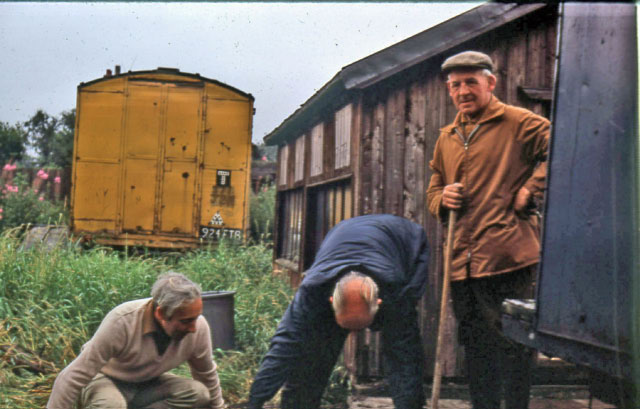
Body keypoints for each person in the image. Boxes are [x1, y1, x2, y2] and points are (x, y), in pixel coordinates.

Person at [426, 50, 550, 409]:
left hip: (507, 257)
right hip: (462, 264)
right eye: (455, 85)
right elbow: (434, 187)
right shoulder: (447, 136)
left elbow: (565, 149)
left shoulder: (519, 122)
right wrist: (442, 198)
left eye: (470, 82)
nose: (463, 91)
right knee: (476, 349)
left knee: (513, 347)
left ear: (490, 83)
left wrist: (531, 189)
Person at [248, 214, 429, 409]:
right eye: (348, 327)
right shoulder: (313, 290)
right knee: (313, 359)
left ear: (379, 303)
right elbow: (284, 346)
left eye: (360, 326)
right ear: (331, 300)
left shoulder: (396, 294)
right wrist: (254, 402)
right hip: (342, 239)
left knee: (402, 351)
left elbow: (405, 362)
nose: (353, 336)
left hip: (406, 242)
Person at [47, 272, 224, 409]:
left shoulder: (198, 327)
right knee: (112, 405)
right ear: (161, 313)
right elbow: (74, 376)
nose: (193, 328)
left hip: (147, 385)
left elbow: (206, 373)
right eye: (185, 321)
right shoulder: (122, 321)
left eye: (196, 318)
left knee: (199, 393)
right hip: (105, 379)